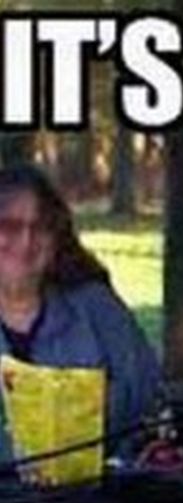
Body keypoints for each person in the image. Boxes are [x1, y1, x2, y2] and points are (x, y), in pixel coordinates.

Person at [0, 164, 160, 464]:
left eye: (41, 227)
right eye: (9, 226)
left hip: (93, 489)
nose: (26, 241)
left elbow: (149, 403)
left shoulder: (97, 309)